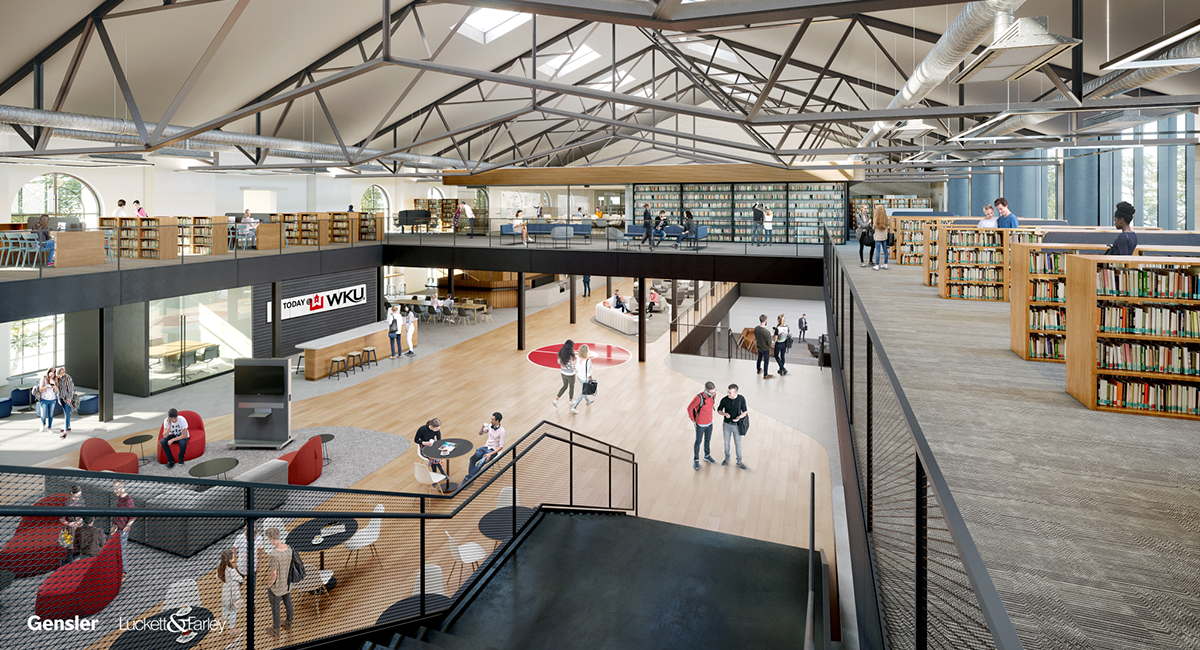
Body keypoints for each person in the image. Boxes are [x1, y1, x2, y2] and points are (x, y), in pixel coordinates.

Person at [264, 527, 293, 639]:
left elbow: (273, 575)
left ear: (272, 540)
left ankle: (276, 630)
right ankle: (289, 622)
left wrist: (269, 585)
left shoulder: (274, 554)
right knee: (288, 603)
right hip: (287, 584)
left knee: (275, 608)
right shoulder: (288, 548)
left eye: (268, 539)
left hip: (277, 588)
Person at [717, 384, 748, 470]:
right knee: (726, 443)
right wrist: (724, 414)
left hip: (736, 426)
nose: (728, 394)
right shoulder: (724, 400)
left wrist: (738, 418)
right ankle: (727, 459)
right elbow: (719, 410)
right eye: (728, 392)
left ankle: (739, 462)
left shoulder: (741, 399)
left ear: (735, 392)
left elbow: (744, 412)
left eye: (730, 393)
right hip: (726, 425)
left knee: (738, 444)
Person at [687, 381, 717, 470]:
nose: (713, 394)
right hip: (700, 424)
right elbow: (689, 408)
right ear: (706, 391)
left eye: (714, 392)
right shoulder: (698, 398)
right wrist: (693, 420)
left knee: (707, 440)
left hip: (709, 423)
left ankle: (707, 455)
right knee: (698, 442)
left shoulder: (714, 395)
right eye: (711, 392)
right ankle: (696, 460)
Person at [467, 412, 506, 479]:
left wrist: (490, 454)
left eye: (492, 420)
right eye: (491, 419)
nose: (491, 421)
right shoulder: (490, 426)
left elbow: (501, 446)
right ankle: (471, 478)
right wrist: (482, 427)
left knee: (480, 464)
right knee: (472, 459)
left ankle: (468, 478)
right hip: (485, 447)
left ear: (497, 421)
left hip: (492, 450)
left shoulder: (502, 431)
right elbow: (480, 433)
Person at [218, 547, 245, 637]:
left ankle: (223, 618)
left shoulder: (221, 568)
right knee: (233, 611)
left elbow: (217, 577)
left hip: (225, 591)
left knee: (225, 606)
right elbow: (241, 579)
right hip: (233, 593)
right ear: (230, 559)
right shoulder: (232, 571)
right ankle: (232, 628)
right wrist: (235, 569)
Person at [112, 480, 136, 576]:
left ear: (122, 487)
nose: (115, 491)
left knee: (121, 550)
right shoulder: (119, 497)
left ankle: (124, 572)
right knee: (113, 549)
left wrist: (125, 529)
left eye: (116, 488)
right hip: (115, 527)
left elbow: (132, 518)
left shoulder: (128, 500)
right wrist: (114, 525)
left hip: (122, 530)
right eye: (114, 489)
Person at [60, 486, 83, 563]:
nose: (78, 497)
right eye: (76, 495)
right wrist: (70, 523)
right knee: (70, 547)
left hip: (80, 524)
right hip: (71, 527)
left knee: (81, 544)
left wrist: (79, 521)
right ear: (72, 493)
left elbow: (84, 514)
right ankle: (69, 564)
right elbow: (61, 519)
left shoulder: (81, 500)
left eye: (79, 495)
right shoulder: (68, 503)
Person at [552, 340, 577, 407]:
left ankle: (556, 400)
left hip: (563, 373)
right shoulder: (572, 355)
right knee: (571, 387)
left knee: (564, 386)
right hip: (570, 374)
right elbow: (573, 367)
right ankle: (571, 400)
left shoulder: (560, 352)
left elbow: (558, 362)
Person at [571, 344, 594, 413]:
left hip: (579, 377)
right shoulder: (588, 361)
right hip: (585, 379)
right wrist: (592, 379)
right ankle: (574, 407)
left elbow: (577, 367)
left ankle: (588, 400)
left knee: (584, 390)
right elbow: (589, 373)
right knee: (583, 392)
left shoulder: (578, 357)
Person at [36, 367, 58, 433]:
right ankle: (43, 425)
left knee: (51, 414)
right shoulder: (44, 378)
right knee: (43, 414)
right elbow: (40, 389)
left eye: (53, 375)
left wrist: (55, 387)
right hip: (44, 399)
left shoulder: (55, 379)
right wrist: (47, 387)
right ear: (48, 373)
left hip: (52, 399)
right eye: (51, 374)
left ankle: (49, 428)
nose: (52, 376)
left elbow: (55, 391)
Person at [54, 367, 74, 437]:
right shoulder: (58, 378)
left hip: (67, 399)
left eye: (58, 375)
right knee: (66, 413)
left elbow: (71, 389)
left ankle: (65, 432)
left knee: (67, 415)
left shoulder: (67, 378)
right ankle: (68, 427)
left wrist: (69, 398)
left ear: (62, 373)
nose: (58, 376)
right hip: (61, 398)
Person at [754, 314, 774, 379]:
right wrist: (771, 344)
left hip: (759, 347)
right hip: (765, 349)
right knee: (766, 362)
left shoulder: (756, 329)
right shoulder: (767, 332)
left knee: (759, 359)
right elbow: (769, 344)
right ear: (765, 320)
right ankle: (765, 374)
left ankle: (758, 369)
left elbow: (756, 337)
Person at [872, 206, 890, 271]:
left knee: (877, 251)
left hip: (877, 237)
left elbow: (873, 228)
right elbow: (887, 227)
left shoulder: (876, 219)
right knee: (885, 250)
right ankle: (885, 264)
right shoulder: (886, 219)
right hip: (884, 237)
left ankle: (877, 265)